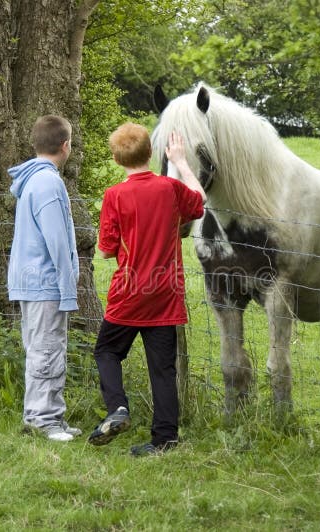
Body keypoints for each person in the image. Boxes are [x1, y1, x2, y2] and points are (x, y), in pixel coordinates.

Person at [87, 122, 206, 456]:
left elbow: (107, 248)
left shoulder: (114, 195)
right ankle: (164, 439)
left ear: (116, 158)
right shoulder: (170, 188)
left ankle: (118, 409)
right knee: (163, 369)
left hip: (128, 292)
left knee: (107, 352)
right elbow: (199, 202)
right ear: (151, 152)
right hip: (165, 292)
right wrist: (181, 162)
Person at [7, 115, 81, 442]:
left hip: (32, 279)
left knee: (47, 347)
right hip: (45, 281)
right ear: (65, 146)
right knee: (47, 350)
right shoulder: (49, 183)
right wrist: (68, 287)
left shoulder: (34, 179)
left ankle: (51, 415)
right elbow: (57, 241)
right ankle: (42, 420)